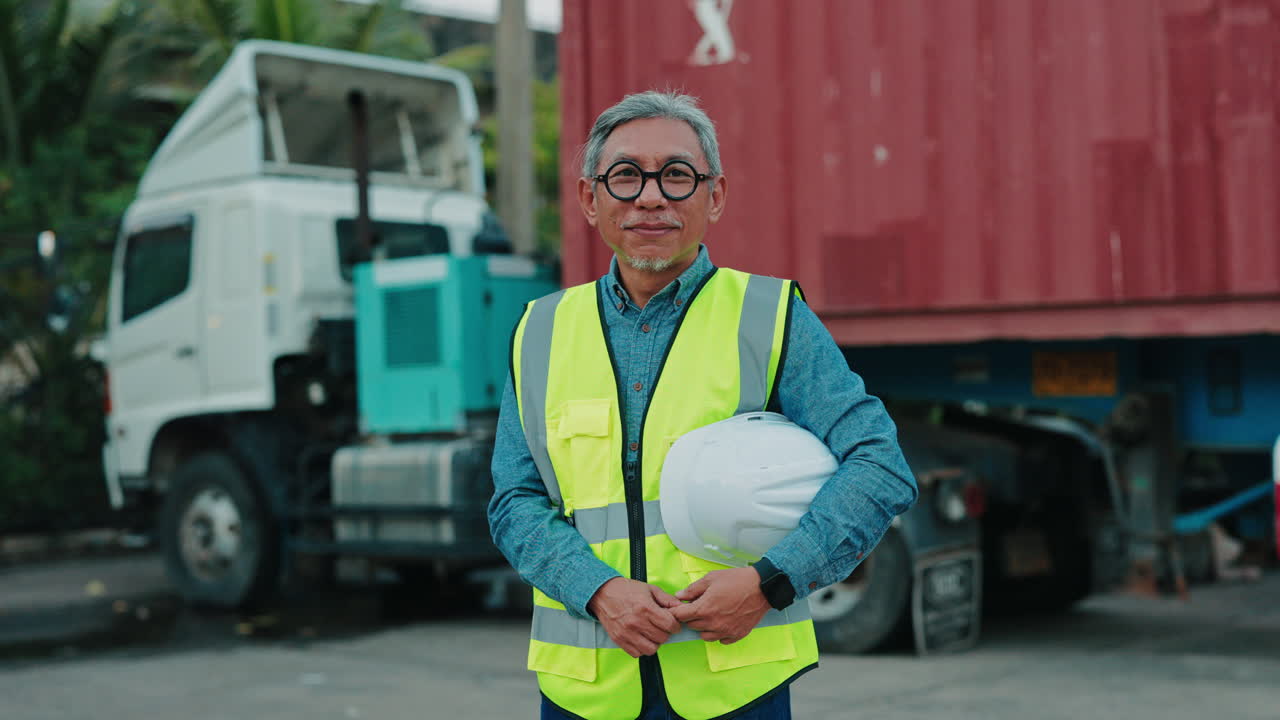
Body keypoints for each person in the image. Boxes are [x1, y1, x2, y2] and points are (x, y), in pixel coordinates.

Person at [489, 90, 917, 720]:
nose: (651, 197)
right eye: (626, 176)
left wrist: (771, 582)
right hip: (585, 690)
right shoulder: (540, 331)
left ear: (714, 196)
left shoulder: (771, 319)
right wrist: (599, 590)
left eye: (677, 175)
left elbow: (879, 467)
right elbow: (513, 500)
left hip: (734, 688)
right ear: (589, 198)